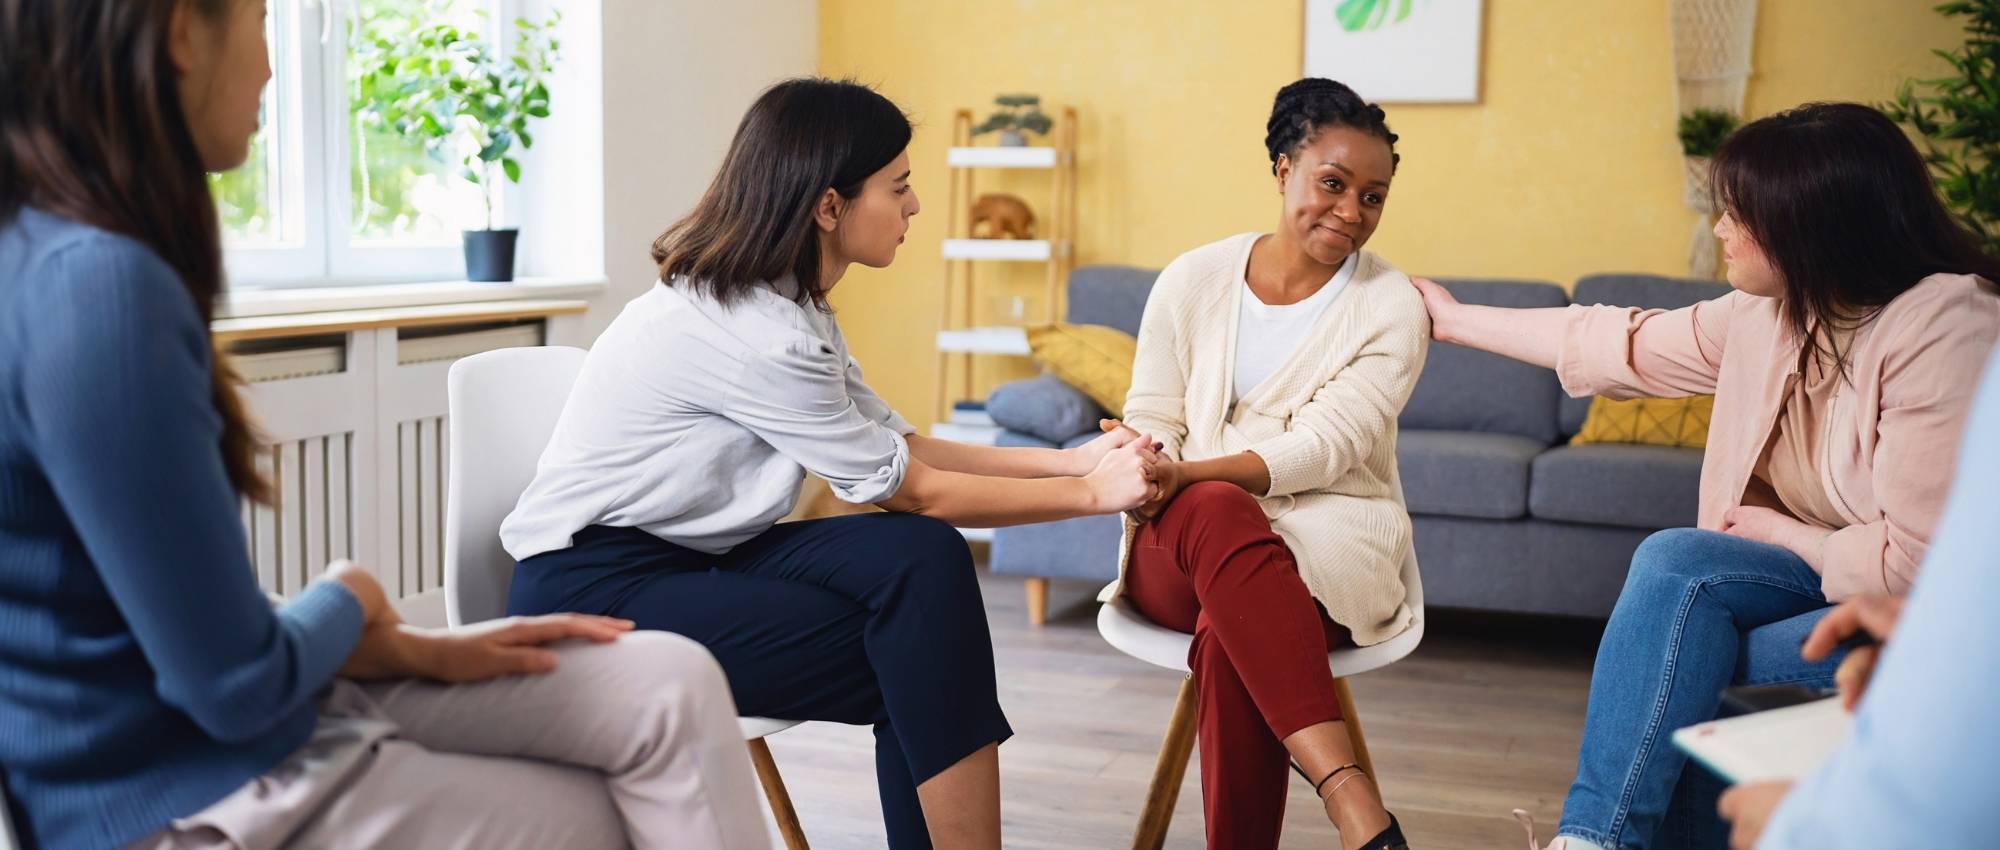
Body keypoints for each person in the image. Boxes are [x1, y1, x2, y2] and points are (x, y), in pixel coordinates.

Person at [0, 2, 769, 849]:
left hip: (235, 723)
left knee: (670, 679)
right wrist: (351, 597)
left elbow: (155, 613)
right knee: (597, 815)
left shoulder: (70, 263)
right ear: (183, 30)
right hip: (183, 789)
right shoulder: (93, 291)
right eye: (261, 21)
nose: (268, 66)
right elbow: (231, 685)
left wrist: (411, 647)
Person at [499, 77, 1160, 850]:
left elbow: (901, 450)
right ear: (828, 206)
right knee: (916, 649)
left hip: (695, 555)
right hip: (597, 590)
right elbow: (917, 491)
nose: (915, 206)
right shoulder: (753, 333)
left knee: (921, 568)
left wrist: (1068, 461)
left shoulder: (791, 305)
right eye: (900, 187)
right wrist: (1093, 495)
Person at [1408, 102, 2000, 850]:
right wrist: (1452, 320)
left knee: (1680, 672)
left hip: (1913, 616)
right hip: (1811, 577)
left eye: (1736, 212)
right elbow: (1616, 341)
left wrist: (1793, 536)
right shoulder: (1773, 312)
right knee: (1673, 566)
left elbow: (1923, 568)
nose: (1719, 228)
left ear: (1806, 221)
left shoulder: (1946, 325)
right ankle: (1588, 843)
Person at [1108, 77, 1428, 850]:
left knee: (1233, 628)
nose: (1351, 212)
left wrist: (1192, 476)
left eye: (1373, 196)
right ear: (1284, 168)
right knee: (1217, 514)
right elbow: (1153, 414)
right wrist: (1151, 467)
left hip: (1329, 539)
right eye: (1333, 183)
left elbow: (1329, 446)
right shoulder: (1192, 280)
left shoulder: (1391, 306)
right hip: (1178, 543)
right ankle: (1356, 805)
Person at [1713, 345, 2000, 850]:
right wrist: (1932, 629)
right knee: (1673, 561)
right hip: (1900, 624)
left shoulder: (1949, 327)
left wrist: (1802, 829)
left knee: (1701, 658)